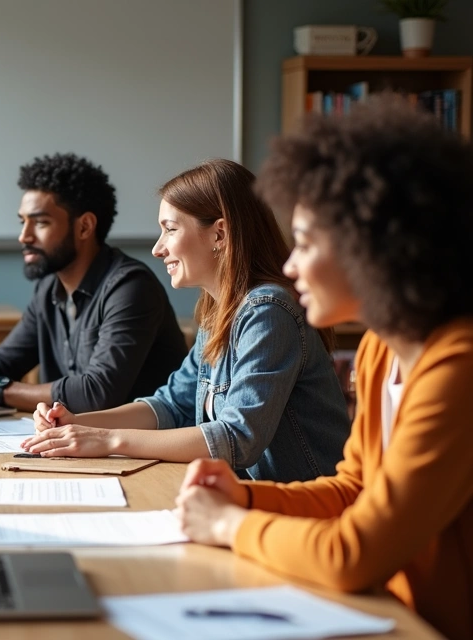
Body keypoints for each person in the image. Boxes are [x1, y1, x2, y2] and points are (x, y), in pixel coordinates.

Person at [175, 97, 473, 640]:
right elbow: (352, 488)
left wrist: (228, 523)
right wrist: (244, 495)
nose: (290, 264)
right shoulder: (383, 349)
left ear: (375, 247)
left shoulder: (459, 367)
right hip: (389, 615)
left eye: (306, 243)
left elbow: (351, 553)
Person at [23, 159, 349, 482]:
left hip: (304, 508)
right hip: (250, 497)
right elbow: (170, 405)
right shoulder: (218, 314)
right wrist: (79, 423)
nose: (157, 248)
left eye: (170, 229)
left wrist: (107, 441)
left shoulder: (268, 311)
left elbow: (237, 438)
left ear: (219, 234)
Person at [0, 153, 186, 413]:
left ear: (85, 227)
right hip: (79, 445)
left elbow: (98, 392)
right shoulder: (48, 289)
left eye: (40, 223)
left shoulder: (131, 288)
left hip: (140, 453)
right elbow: (5, 361)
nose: (24, 236)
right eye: (22, 222)